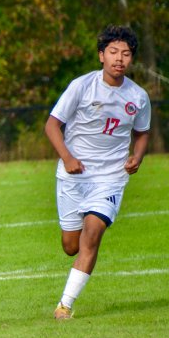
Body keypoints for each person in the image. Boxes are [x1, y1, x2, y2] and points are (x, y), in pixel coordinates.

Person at [44, 25, 151, 319]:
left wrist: (137, 157)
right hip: (73, 176)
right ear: (101, 55)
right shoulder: (81, 86)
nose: (119, 59)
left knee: (92, 234)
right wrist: (67, 158)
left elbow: (142, 133)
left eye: (126, 54)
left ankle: (64, 305)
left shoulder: (138, 97)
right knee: (71, 246)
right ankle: (77, 264)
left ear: (131, 60)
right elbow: (52, 125)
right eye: (113, 52)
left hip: (111, 178)